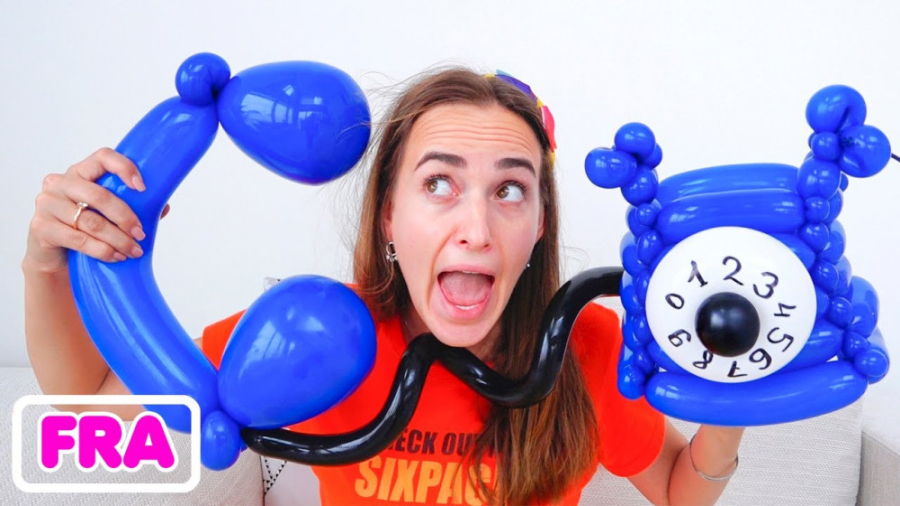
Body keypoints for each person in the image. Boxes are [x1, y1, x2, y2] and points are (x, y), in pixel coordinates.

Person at [23, 67, 744, 505]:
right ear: (389, 216)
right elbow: (86, 399)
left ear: (539, 227)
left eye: (510, 191)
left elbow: (680, 491)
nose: (477, 228)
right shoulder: (314, 343)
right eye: (439, 184)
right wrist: (48, 265)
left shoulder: (589, 347)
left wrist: (741, 380)